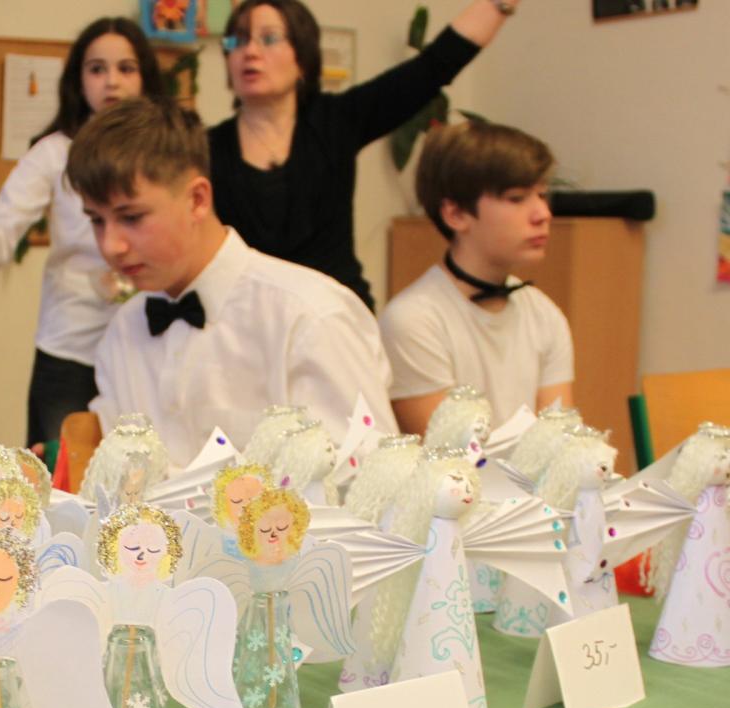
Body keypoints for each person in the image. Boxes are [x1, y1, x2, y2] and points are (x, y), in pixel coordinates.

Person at [67, 97, 396, 466]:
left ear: (197, 200)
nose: (111, 245)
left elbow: (372, 478)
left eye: (131, 217)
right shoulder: (123, 332)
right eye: (97, 220)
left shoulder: (309, 317)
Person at [209, 0, 520, 310]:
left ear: (302, 58)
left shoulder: (337, 120)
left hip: (337, 315)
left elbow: (433, 67)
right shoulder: (206, 149)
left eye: (269, 38)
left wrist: (499, 6)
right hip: (249, 321)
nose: (250, 51)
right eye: (238, 41)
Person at [0, 17, 166, 447]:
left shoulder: (165, 152)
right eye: (97, 69)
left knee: (147, 463)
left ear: (144, 77)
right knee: (60, 465)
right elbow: (5, 218)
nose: (112, 81)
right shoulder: (54, 152)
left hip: (150, 338)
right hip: (71, 344)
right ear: (78, 81)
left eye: (125, 68)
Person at [379, 120, 573, 435]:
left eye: (541, 195)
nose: (543, 214)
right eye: (517, 198)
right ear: (455, 214)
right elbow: (449, 454)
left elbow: (559, 442)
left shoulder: (543, 313)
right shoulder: (413, 321)